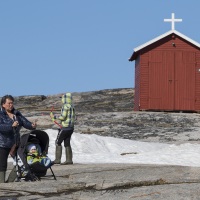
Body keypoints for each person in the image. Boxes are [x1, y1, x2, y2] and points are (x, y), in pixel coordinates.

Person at [0, 95, 37, 183]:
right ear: (3, 104)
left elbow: (25, 122)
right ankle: (1, 183)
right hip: (2, 143)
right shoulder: (0, 115)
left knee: (20, 162)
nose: (11, 105)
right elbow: (1, 127)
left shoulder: (17, 114)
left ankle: (9, 182)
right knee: (2, 165)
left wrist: (32, 126)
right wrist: (10, 126)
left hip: (15, 143)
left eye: (12, 103)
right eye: (9, 103)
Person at [50, 92, 76, 165]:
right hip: (71, 128)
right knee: (67, 143)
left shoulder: (65, 106)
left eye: (62, 98)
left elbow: (63, 117)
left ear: (65, 99)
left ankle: (57, 160)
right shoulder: (72, 106)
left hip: (64, 128)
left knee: (58, 142)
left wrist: (54, 117)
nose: (62, 100)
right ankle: (69, 160)